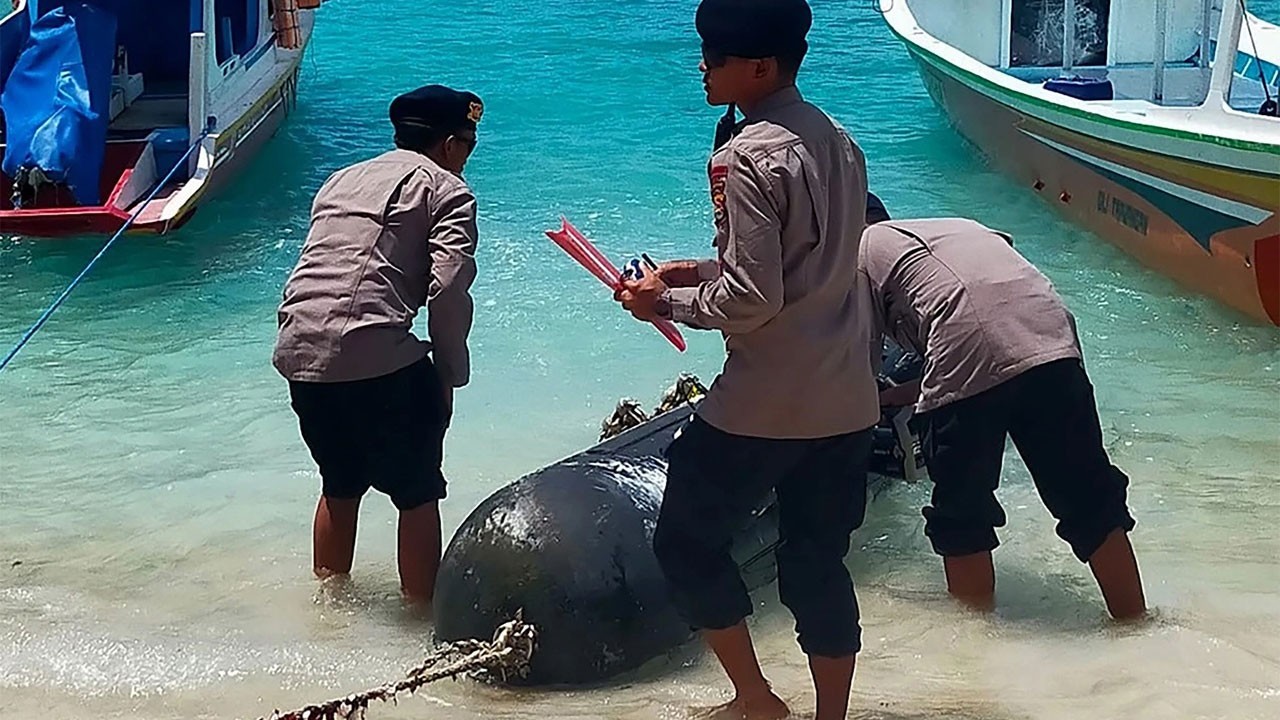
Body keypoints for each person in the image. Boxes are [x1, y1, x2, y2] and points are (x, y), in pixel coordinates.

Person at [615, 2, 880, 718]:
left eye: (714, 56)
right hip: (848, 398)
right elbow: (810, 265)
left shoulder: (744, 156)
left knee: (686, 543)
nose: (702, 67)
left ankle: (755, 697)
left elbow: (753, 301)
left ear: (758, 66)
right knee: (817, 561)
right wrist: (693, 270)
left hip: (764, 403)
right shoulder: (839, 139)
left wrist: (659, 305)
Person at [858, 202, 1147, 620]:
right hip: (1050, 334)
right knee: (1090, 500)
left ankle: (976, 653)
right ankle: (1135, 622)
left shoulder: (856, 252)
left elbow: (855, 367)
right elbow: (992, 324)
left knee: (962, 515)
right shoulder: (957, 225)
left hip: (966, 339)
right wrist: (894, 396)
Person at [272, 84, 483, 605]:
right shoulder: (447, 191)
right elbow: (449, 287)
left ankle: (330, 614)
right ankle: (418, 621)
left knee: (339, 484)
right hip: (372, 353)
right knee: (417, 493)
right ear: (453, 145)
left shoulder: (340, 180)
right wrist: (449, 373)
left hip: (299, 351)